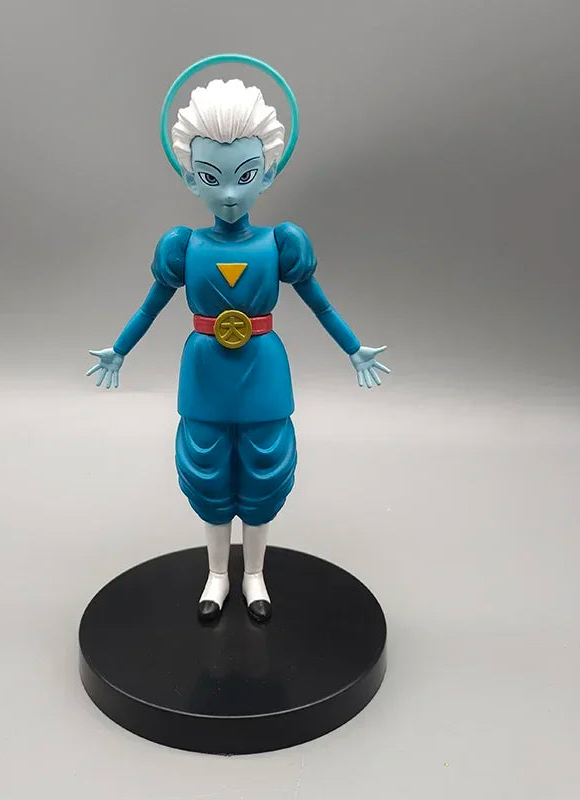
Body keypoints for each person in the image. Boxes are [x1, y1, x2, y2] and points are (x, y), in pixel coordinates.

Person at [87, 77, 390, 623]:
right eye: (212, 177)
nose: (228, 193)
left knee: (264, 468)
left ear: (268, 173)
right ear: (190, 177)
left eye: (244, 176)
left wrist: (353, 348)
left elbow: (319, 303)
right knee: (206, 469)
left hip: (262, 369)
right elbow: (151, 305)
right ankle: (217, 573)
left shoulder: (281, 243)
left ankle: (254, 574)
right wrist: (120, 349)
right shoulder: (183, 246)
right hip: (205, 369)